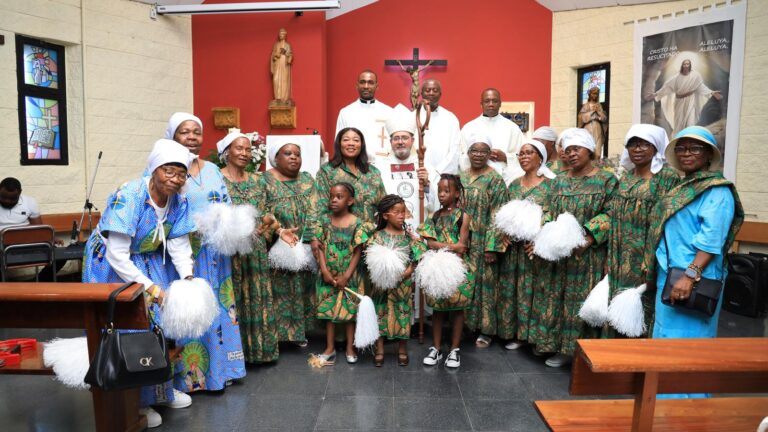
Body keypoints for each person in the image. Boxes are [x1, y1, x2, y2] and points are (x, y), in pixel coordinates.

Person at [82, 139, 195, 429]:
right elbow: (117, 255)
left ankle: (162, 390)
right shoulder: (130, 195)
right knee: (130, 327)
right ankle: (138, 402)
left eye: (181, 173)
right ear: (155, 169)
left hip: (145, 257)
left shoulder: (179, 200)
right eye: (169, 171)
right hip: (110, 263)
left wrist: (188, 278)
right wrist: (152, 289)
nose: (175, 179)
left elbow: (180, 244)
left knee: (162, 322)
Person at [162, 112, 246, 393]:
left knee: (219, 309)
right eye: (185, 132)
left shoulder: (211, 169)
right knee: (191, 311)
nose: (192, 137)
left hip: (215, 254)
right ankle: (187, 378)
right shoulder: (163, 169)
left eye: (196, 132)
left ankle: (221, 371)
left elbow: (227, 203)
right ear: (172, 136)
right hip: (184, 256)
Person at [646, 126, 743, 341]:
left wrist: (689, 277)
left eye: (695, 148)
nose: (686, 153)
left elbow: (711, 240)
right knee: (664, 337)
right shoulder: (683, 187)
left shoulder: (717, 191)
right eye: (681, 149)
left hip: (694, 279)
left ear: (709, 154)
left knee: (688, 343)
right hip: (670, 274)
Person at [533, 128, 617, 368]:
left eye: (576, 149)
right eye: (567, 150)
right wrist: (548, 235)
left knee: (577, 302)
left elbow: (612, 213)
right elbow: (548, 210)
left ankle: (576, 351)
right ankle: (554, 345)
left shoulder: (606, 180)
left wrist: (588, 238)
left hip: (586, 255)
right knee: (554, 299)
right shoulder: (559, 182)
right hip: (559, 254)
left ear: (589, 150)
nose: (570, 155)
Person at [603, 125, 679, 338]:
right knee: (619, 306)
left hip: (647, 257)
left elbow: (668, 222)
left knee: (643, 307)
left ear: (656, 147)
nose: (637, 148)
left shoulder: (667, 178)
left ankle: (639, 364)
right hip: (620, 255)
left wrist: (653, 263)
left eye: (644, 143)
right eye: (632, 144)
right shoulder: (626, 177)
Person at [218, 132, 279, 363]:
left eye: (248, 149)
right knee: (233, 297)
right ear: (226, 152)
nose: (244, 153)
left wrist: (269, 224)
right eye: (239, 148)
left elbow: (268, 211)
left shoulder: (258, 180)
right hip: (229, 251)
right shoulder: (217, 179)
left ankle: (259, 352)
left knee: (257, 296)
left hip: (255, 250)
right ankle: (234, 355)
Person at [493, 139, 556, 350]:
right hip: (514, 250)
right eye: (521, 154)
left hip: (535, 251)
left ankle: (535, 337)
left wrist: (542, 239)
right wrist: (504, 233)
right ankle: (516, 335)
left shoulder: (550, 185)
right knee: (514, 290)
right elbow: (504, 214)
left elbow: (555, 215)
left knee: (536, 291)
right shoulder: (514, 184)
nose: (524, 157)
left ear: (540, 157)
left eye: (529, 153)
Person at [256, 141, 318, 346]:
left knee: (303, 286)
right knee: (280, 287)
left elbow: (318, 207)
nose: (294, 157)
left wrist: (311, 238)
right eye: (288, 153)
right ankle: (279, 334)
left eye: (297, 154)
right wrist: (278, 230)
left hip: (304, 242)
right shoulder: (264, 180)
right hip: (278, 241)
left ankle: (300, 332)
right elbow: (261, 210)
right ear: (275, 158)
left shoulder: (308, 179)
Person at [419, 174, 473, 369]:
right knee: (438, 309)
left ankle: (455, 349)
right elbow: (430, 242)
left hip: (457, 268)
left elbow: (462, 246)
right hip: (437, 268)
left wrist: (440, 246)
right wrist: (447, 246)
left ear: (457, 193)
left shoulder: (463, 216)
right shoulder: (434, 216)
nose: (441, 194)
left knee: (457, 309)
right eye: (439, 190)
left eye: (446, 191)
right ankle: (436, 348)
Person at [313, 182, 371, 365]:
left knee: (349, 312)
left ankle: (349, 347)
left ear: (350, 200)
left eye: (339, 196)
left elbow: (357, 251)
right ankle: (329, 348)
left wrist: (346, 276)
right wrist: (324, 271)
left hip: (350, 276)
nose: (334, 200)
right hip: (328, 276)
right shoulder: (324, 221)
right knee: (329, 311)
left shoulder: (358, 223)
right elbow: (320, 248)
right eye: (332, 197)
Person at [461, 137, 509, 348]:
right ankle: (468, 325)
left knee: (487, 286)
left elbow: (499, 214)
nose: (478, 155)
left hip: (484, 242)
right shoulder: (461, 177)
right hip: (464, 242)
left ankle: (487, 330)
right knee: (467, 282)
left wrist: (492, 246)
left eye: (484, 151)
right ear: (468, 153)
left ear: (490, 154)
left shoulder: (495, 179)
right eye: (474, 150)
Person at [369, 194, 424, 367]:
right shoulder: (378, 236)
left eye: (404, 212)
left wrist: (408, 271)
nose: (402, 215)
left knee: (402, 312)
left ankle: (402, 349)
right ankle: (379, 349)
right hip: (382, 284)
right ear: (385, 215)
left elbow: (417, 255)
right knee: (380, 313)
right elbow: (370, 258)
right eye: (397, 212)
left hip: (403, 283)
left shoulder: (408, 236)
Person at [311, 127, 386, 236]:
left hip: (370, 237)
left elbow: (384, 205)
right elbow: (317, 206)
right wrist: (314, 236)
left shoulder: (373, 172)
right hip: (338, 237)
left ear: (362, 145)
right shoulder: (327, 171)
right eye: (346, 140)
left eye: (356, 140)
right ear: (339, 144)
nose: (351, 143)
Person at [379, 104, 436, 228]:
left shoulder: (425, 166)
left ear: (412, 140)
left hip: (419, 228)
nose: (400, 142)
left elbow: (437, 203)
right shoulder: (379, 168)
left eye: (405, 138)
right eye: (396, 138)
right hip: (390, 231)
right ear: (390, 142)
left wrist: (427, 185)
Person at [460, 88, 525, 184]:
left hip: (505, 180)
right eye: (487, 101)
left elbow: (523, 156)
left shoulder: (512, 128)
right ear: (481, 104)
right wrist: (478, 157)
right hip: (474, 181)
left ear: (500, 103)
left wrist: (505, 157)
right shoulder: (469, 127)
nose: (491, 104)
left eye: (494, 101)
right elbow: (461, 156)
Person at [646, 59, 723, 137]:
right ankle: (678, 139)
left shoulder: (695, 75)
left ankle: (689, 138)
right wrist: (655, 95)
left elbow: (700, 87)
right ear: (682, 66)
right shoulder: (676, 78)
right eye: (684, 64)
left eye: (688, 64)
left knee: (690, 121)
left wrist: (712, 93)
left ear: (690, 66)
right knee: (679, 123)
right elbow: (666, 88)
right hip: (679, 102)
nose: (686, 66)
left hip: (690, 101)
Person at [335, 70, 393, 165]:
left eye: (370, 83)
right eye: (362, 82)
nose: (366, 86)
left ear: (376, 86)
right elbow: (338, 144)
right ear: (357, 85)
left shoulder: (389, 112)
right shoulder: (346, 112)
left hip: (383, 165)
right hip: (355, 166)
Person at [419, 79, 461, 195]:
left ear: (440, 94)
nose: (431, 93)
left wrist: (437, 172)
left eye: (435, 90)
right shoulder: (414, 117)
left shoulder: (450, 118)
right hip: (421, 175)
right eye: (427, 90)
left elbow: (455, 150)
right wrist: (426, 170)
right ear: (421, 93)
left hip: (443, 175)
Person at [577, 87, 608, 158]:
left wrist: (598, 112)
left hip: (597, 127)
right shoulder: (586, 105)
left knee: (597, 150)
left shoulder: (599, 106)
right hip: (588, 128)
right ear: (590, 95)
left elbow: (604, 118)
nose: (595, 96)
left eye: (597, 94)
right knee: (589, 147)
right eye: (593, 94)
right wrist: (592, 112)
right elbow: (581, 117)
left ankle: (597, 163)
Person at [270, 28, 293, 103]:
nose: (280, 35)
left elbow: (290, 54)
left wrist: (287, 56)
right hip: (277, 63)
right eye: (280, 34)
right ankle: (277, 98)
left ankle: (284, 98)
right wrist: (276, 55)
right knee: (276, 79)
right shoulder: (276, 45)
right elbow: (272, 55)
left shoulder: (287, 45)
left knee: (284, 80)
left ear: (285, 35)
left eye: (282, 34)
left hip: (284, 63)